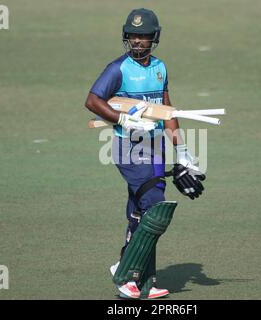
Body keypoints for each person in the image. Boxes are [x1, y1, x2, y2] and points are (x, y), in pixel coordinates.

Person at [85, 8, 205, 299]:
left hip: (155, 148)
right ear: (127, 37)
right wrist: (123, 119)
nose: (138, 41)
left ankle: (134, 275)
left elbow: (167, 110)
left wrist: (183, 150)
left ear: (154, 38)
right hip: (128, 147)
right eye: (134, 36)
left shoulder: (160, 68)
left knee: (139, 212)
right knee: (154, 205)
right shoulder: (118, 68)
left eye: (144, 36)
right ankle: (128, 276)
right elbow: (92, 100)